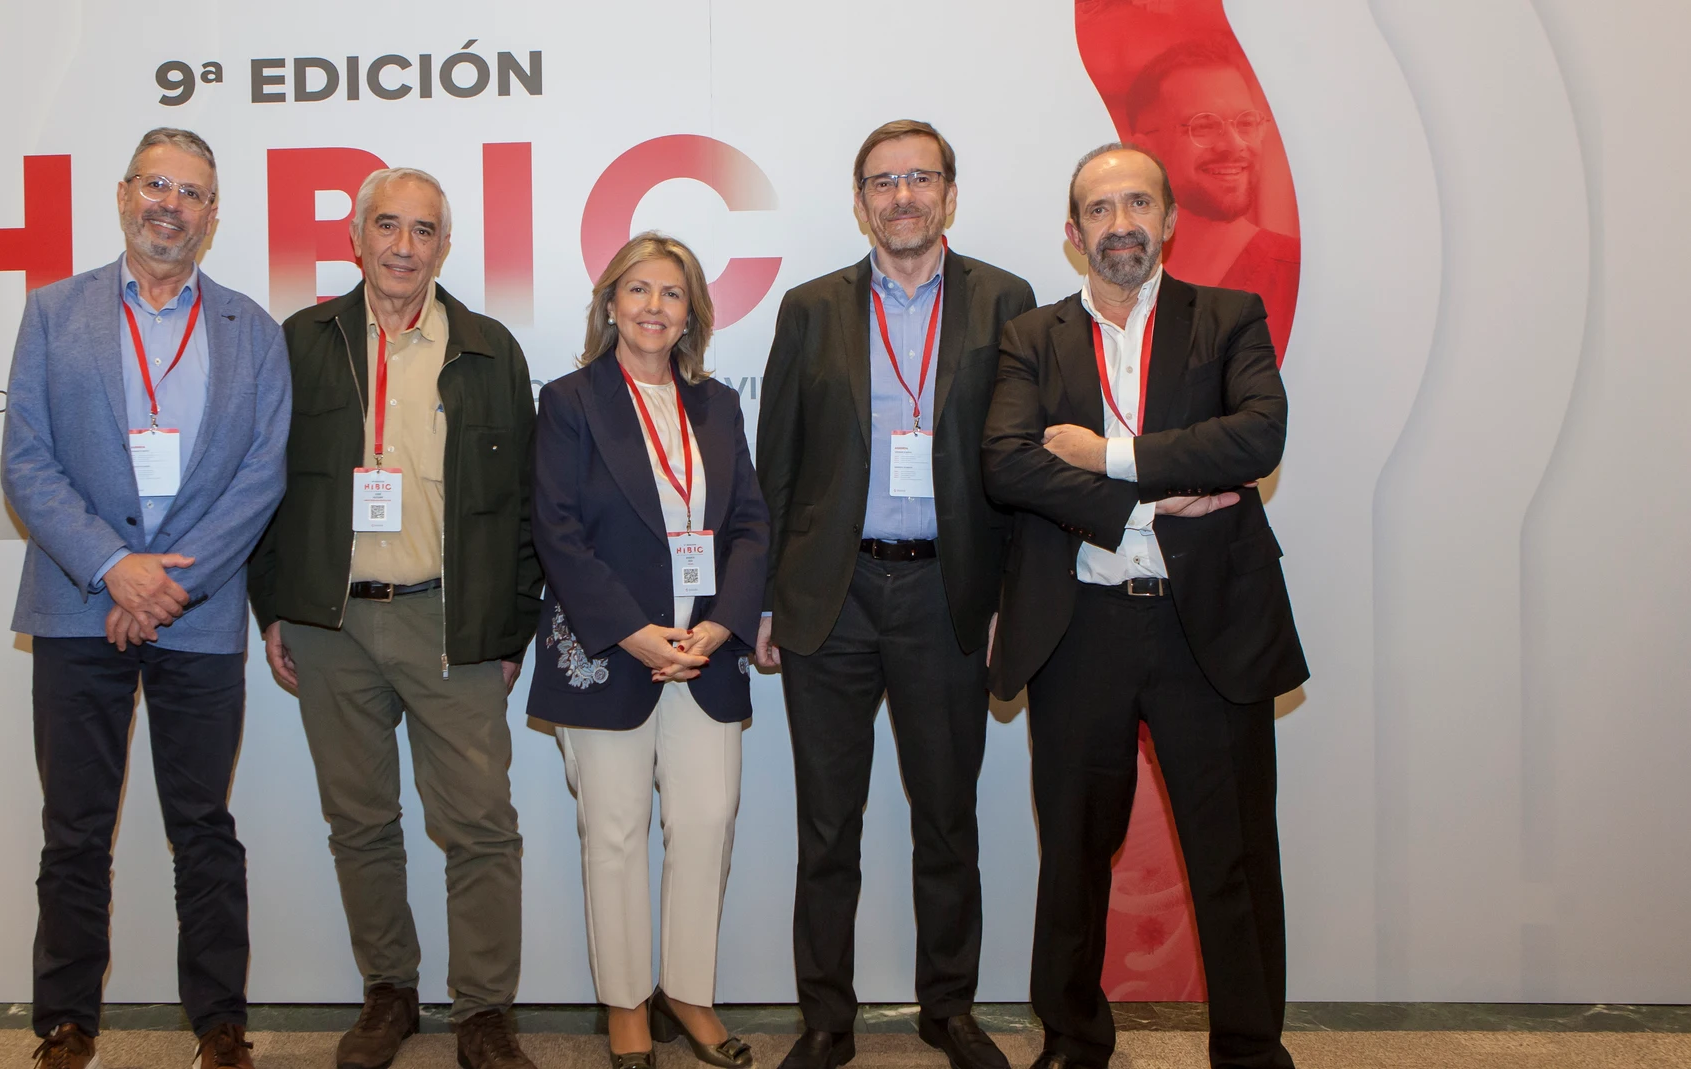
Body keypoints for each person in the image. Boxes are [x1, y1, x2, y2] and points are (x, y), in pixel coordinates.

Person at [981, 143, 1309, 1069]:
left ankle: (1249, 1047)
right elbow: (1006, 461)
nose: (1118, 223)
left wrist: (1105, 456)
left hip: (1208, 628)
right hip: (1080, 627)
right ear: (1072, 233)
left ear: (1170, 220)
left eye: (1137, 204)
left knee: (1234, 855)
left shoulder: (1229, 318)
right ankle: (1075, 1039)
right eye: (1098, 208)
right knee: (1076, 856)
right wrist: (1153, 492)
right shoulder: (1031, 335)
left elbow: (1256, 434)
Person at [2, 127, 290, 1069]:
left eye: (193, 192)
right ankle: (66, 1019)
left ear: (214, 214)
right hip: (79, 602)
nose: (172, 204)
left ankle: (219, 1021)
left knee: (202, 825)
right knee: (76, 827)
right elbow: (28, 462)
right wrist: (112, 566)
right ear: (124, 195)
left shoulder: (254, 329)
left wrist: (166, 581)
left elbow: (262, 474)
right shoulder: (53, 312)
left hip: (199, 616)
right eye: (157, 185)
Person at [246, 167, 543, 1069]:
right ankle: (390, 992)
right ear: (356, 237)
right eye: (389, 226)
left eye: (424, 231)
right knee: (361, 821)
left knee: (482, 825)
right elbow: (258, 483)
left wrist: (508, 629)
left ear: (444, 247)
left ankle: (485, 1011)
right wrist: (275, 610)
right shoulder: (299, 342)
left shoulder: (491, 348)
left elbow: (526, 506)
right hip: (332, 627)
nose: (405, 246)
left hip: (450, 620)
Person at [755, 120, 1036, 1069]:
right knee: (826, 823)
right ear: (860, 199)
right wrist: (764, 600)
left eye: (920, 178)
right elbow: (778, 465)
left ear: (949, 193)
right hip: (829, 596)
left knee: (946, 817)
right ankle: (826, 1017)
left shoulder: (1007, 300)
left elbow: (1022, 464)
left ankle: (946, 1008)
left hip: (948, 595)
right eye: (883, 181)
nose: (902, 196)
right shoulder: (811, 307)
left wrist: (1009, 594)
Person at [529, 232, 769, 1069]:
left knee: (706, 824)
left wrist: (720, 623)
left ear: (693, 312)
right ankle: (627, 1002)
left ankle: (689, 992)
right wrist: (634, 632)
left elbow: (749, 523)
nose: (654, 307)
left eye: (672, 293)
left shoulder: (718, 406)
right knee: (617, 832)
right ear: (609, 302)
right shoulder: (569, 400)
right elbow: (555, 530)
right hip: (609, 651)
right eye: (638, 290)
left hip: (704, 654)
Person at [1127, 40, 1300, 357]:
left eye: (1246, 123)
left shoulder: (1297, 276)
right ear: (1143, 152)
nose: (1234, 145)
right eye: (1203, 126)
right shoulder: (1116, 280)